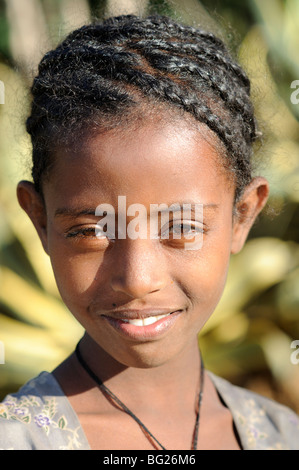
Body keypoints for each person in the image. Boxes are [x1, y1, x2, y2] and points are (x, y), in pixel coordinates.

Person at [0, 14, 298, 451]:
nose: (138, 279)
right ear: (40, 221)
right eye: (90, 231)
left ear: (242, 217)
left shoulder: (283, 435)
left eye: (182, 227)